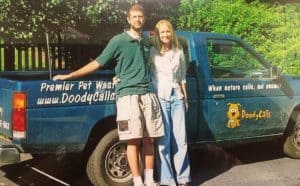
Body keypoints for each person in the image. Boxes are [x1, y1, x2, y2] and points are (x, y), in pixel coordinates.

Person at [53, 4, 164, 186]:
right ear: (128, 19)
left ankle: (150, 181)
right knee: (132, 141)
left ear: (144, 19)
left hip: (147, 95)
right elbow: (98, 63)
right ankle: (138, 181)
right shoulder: (118, 41)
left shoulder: (146, 41)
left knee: (150, 140)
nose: (137, 19)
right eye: (134, 16)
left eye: (140, 16)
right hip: (128, 96)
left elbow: (160, 57)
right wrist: (70, 75)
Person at [149, 19, 191, 186]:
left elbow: (181, 76)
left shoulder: (179, 51)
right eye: (162, 32)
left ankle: (183, 178)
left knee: (181, 140)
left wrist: (185, 98)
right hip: (160, 97)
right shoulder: (152, 52)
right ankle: (167, 180)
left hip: (177, 97)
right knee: (163, 140)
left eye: (168, 31)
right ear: (158, 35)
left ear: (171, 33)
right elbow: (143, 71)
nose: (165, 34)